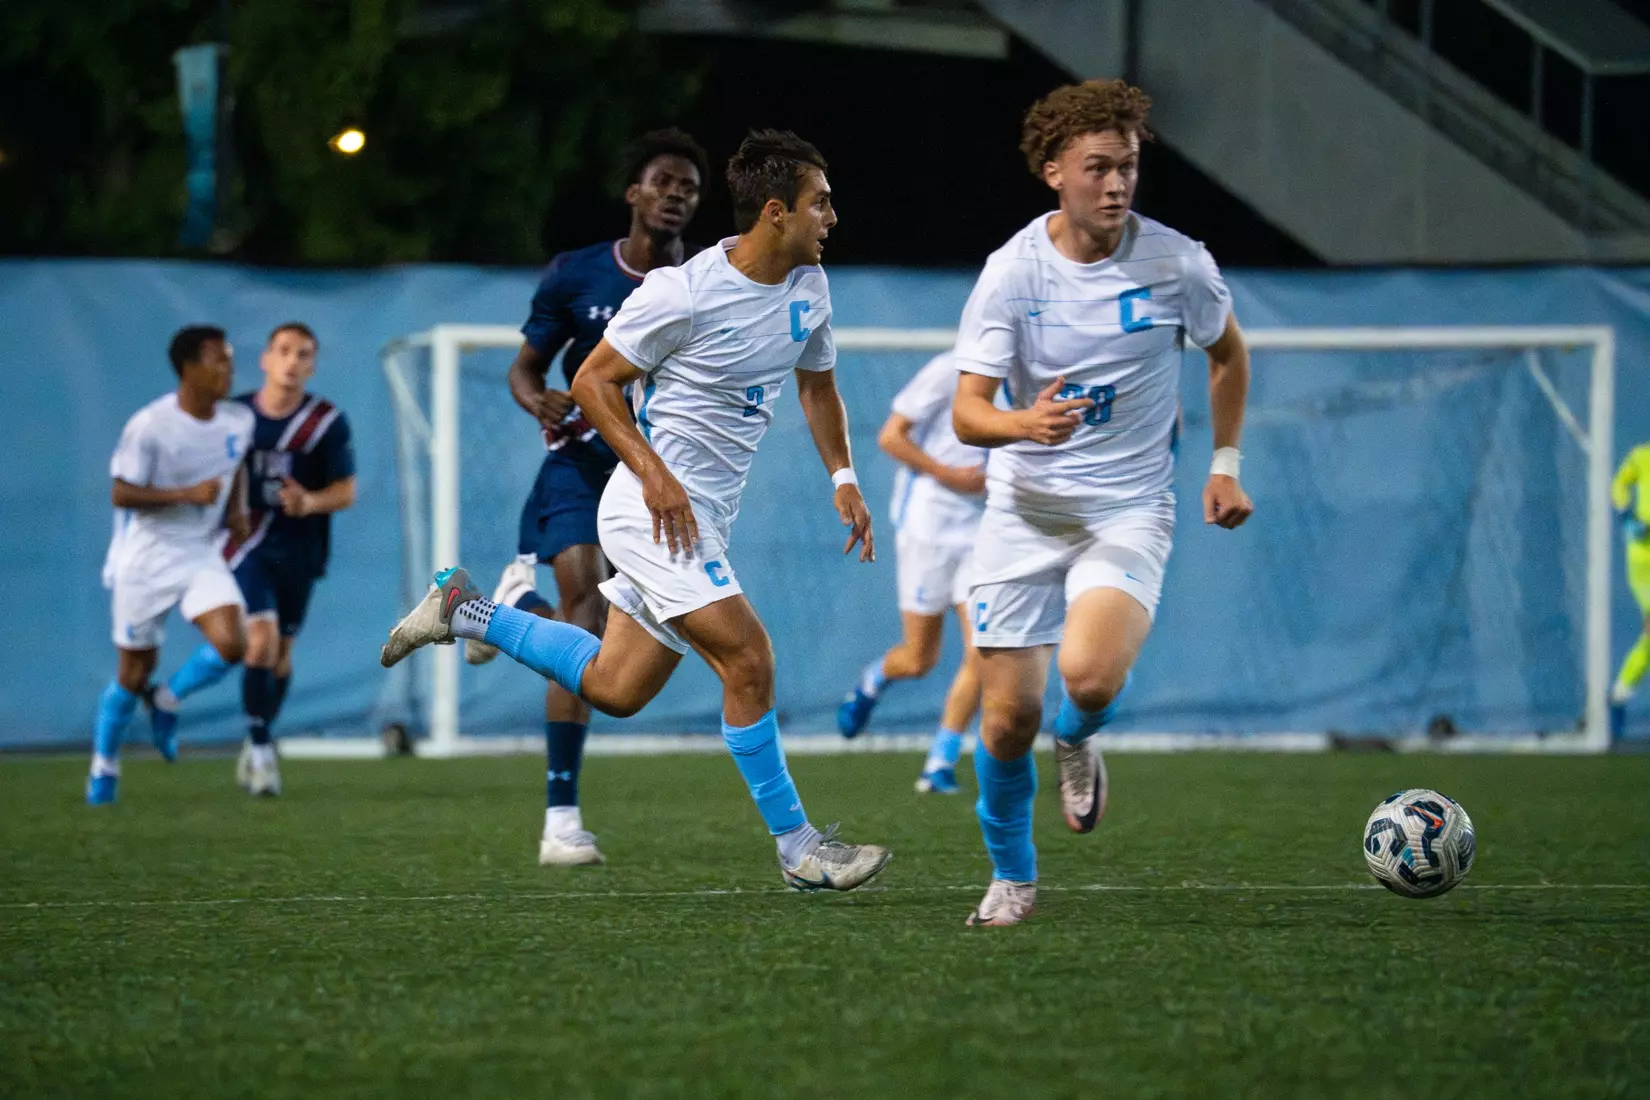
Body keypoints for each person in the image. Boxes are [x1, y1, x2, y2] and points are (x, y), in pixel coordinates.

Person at [382, 130, 891, 893]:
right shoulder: (683, 290)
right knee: (749, 658)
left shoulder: (809, 287)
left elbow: (818, 386)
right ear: (776, 212)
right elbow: (593, 382)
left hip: (704, 518)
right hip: (650, 515)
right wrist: (654, 474)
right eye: (821, 203)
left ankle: (464, 611)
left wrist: (843, 476)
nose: (833, 217)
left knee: (616, 688)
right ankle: (799, 849)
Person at [950, 80, 1254, 925]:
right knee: (1006, 722)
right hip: (1025, 512)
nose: (1117, 184)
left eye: (1128, 166)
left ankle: (1079, 736)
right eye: (1097, 167)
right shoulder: (1012, 274)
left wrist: (1225, 464)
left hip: (1128, 508)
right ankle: (1013, 878)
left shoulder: (1179, 264)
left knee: (1086, 676)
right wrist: (1023, 423)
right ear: (1054, 171)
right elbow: (967, 413)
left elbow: (1228, 355)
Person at [464, 127, 708, 865]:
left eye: (689, 188)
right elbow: (526, 368)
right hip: (579, 463)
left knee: (602, 650)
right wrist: (535, 398)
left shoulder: (704, 283)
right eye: (663, 181)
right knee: (585, 609)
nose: (676, 195)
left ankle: (504, 613)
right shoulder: (577, 275)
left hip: (654, 477)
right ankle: (560, 822)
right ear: (634, 192)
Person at [88, 325, 254, 804]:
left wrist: (236, 510)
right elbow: (121, 492)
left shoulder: (238, 420)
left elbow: (236, 464)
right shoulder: (149, 426)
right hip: (145, 559)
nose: (229, 369)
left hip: (199, 551)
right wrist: (185, 494)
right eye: (219, 360)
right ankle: (104, 766)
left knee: (232, 643)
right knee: (133, 673)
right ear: (189, 368)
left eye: (230, 359)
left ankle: (166, 701)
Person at [836, 350, 988, 795]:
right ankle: (875, 678)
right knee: (920, 658)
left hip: (986, 532)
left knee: (983, 651)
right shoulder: (951, 370)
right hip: (930, 526)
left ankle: (940, 761)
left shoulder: (1029, 377)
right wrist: (948, 474)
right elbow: (891, 437)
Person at [225, 322, 356, 796]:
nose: (291, 362)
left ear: (312, 366)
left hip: (300, 548)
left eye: (302, 354)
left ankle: (257, 734)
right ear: (265, 359)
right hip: (245, 545)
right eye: (283, 351)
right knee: (259, 640)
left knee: (280, 657)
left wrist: (309, 502)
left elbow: (345, 491)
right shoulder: (233, 416)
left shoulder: (324, 421)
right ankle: (263, 751)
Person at [1610, 440, 1650, 737]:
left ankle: (1618, 696)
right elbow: (1619, 484)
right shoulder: (1641, 456)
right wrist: (1627, 518)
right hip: (1643, 559)